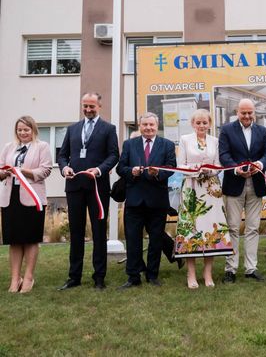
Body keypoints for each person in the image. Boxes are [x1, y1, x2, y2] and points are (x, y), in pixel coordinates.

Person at [57, 92, 119, 290]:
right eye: (85, 106)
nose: (88, 109)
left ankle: (99, 277)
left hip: (97, 188)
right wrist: (64, 168)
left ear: (99, 106)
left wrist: (99, 170)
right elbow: (62, 155)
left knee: (99, 232)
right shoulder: (72, 129)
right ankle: (74, 277)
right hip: (74, 186)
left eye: (92, 106)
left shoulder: (109, 129)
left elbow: (114, 155)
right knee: (76, 232)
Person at [116, 112, 176, 289]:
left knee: (156, 240)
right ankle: (133, 277)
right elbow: (120, 167)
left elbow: (171, 167)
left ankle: (152, 275)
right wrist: (131, 172)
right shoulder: (129, 144)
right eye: (145, 125)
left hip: (157, 200)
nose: (148, 128)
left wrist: (158, 173)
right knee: (133, 240)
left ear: (157, 126)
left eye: (151, 125)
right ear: (140, 126)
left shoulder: (167, 145)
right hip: (134, 200)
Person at [175, 109, 233, 289]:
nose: (201, 125)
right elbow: (180, 165)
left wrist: (210, 170)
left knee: (211, 229)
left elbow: (218, 164)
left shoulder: (215, 141)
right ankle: (191, 274)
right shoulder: (185, 139)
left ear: (209, 124)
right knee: (191, 230)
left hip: (211, 190)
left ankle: (208, 273)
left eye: (205, 122)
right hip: (191, 188)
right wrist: (195, 169)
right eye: (198, 123)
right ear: (193, 124)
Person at [218, 98, 266, 283]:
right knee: (233, 227)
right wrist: (236, 168)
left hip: (256, 184)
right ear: (237, 112)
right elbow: (223, 154)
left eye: (250, 112)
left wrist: (260, 164)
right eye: (244, 113)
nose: (247, 116)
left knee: (253, 228)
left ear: (254, 112)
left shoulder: (262, 131)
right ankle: (230, 269)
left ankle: (251, 268)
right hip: (234, 184)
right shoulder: (227, 130)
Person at [0, 116, 52, 293]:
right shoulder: (9, 147)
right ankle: (15, 279)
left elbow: (45, 170)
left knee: (30, 238)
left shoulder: (42, 147)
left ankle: (29, 277)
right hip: (10, 198)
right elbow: (0, 169)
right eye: (19, 130)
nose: (22, 133)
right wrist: (5, 172)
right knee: (14, 240)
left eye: (26, 130)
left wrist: (23, 171)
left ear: (33, 130)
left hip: (32, 199)